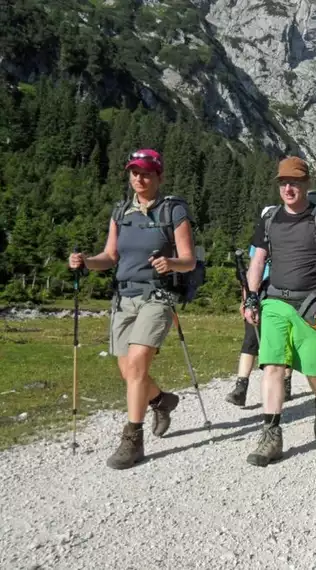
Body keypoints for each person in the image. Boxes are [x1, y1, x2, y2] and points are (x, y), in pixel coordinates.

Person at [68, 149, 196, 469]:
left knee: (137, 362)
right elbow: (110, 257)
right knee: (128, 372)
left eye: (147, 173)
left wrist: (171, 263)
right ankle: (161, 401)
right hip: (124, 298)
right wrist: (85, 262)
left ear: (159, 176)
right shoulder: (121, 211)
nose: (140, 178)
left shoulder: (173, 211)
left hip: (158, 296)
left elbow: (189, 259)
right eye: (135, 172)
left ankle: (133, 438)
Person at [243, 156, 316, 467]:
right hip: (275, 301)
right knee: (273, 365)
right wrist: (252, 297)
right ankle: (271, 433)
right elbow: (258, 262)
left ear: (306, 185)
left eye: (295, 182)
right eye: (283, 182)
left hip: (312, 304)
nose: (288, 188)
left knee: (314, 367)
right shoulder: (269, 220)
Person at [225, 206, 293, 407]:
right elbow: (250, 275)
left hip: (282, 293)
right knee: (250, 339)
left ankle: (285, 382)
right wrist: (245, 299)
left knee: (284, 339)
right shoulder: (257, 245)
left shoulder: (288, 242)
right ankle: (241, 387)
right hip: (259, 294)